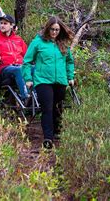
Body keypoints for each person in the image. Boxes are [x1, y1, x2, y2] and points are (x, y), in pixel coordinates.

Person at [22, 16, 75, 149]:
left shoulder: (62, 43)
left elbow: (69, 61)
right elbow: (27, 61)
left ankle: (57, 130)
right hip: (43, 80)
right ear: (47, 29)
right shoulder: (38, 42)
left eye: (57, 30)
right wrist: (28, 79)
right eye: (52, 29)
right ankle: (48, 138)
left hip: (60, 81)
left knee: (56, 105)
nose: (54, 32)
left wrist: (70, 76)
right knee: (47, 107)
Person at [0, 14, 30, 103]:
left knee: (36, 69)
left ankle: (37, 97)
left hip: (20, 65)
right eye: (1, 23)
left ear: (12, 25)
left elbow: (28, 56)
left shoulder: (18, 39)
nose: (2, 25)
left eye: (5, 23)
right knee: (19, 69)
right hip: (5, 69)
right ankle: (26, 97)